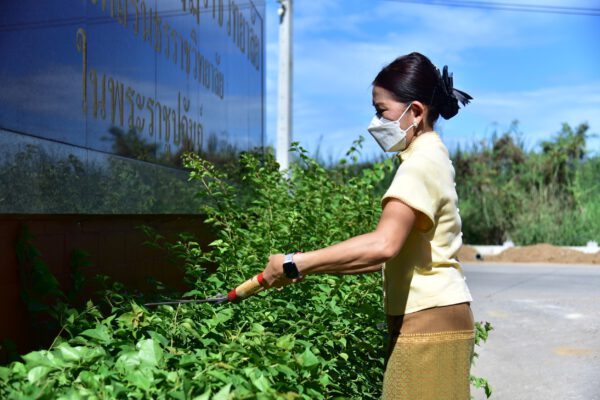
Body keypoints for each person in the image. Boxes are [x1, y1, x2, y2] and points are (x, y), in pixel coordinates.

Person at [262, 52, 475, 400]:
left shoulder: (421, 163)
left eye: (381, 111)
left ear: (416, 112)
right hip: (435, 320)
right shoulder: (431, 156)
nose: (375, 122)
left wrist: (292, 263)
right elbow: (383, 256)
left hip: (429, 325)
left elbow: (382, 245)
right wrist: (304, 266)